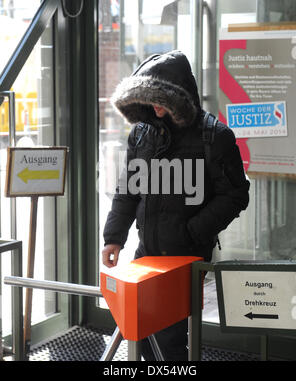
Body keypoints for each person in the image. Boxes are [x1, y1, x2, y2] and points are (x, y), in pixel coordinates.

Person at [102, 50, 250, 361]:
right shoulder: (142, 134)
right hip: (148, 252)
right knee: (138, 331)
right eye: (148, 99)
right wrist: (114, 236)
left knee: (169, 340)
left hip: (186, 256)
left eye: (161, 99)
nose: (154, 106)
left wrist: (192, 232)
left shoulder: (215, 136)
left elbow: (236, 195)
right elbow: (128, 189)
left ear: (180, 98)